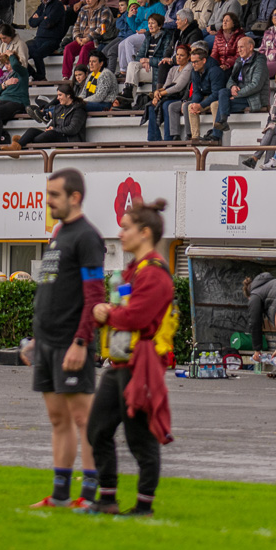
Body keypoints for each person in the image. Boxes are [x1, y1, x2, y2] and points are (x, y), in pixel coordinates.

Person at [80, 197, 175, 516]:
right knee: (97, 430)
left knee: (139, 439)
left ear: (145, 233)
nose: (120, 234)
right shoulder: (134, 270)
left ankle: (143, 505)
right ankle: (107, 499)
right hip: (121, 363)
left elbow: (137, 318)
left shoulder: (155, 273)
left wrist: (106, 314)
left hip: (141, 365)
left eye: (125, 228)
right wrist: (107, 311)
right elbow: (126, 311)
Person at [29, 169, 106, 509]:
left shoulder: (87, 237)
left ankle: (89, 496)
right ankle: (60, 495)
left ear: (74, 197)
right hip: (46, 342)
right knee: (58, 419)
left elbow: (95, 297)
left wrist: (80, 341)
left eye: (54, 196)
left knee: (83, 419)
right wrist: (35, 339)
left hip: (71, 343)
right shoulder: (58, 233)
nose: (48, 202)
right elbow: (50, 288)